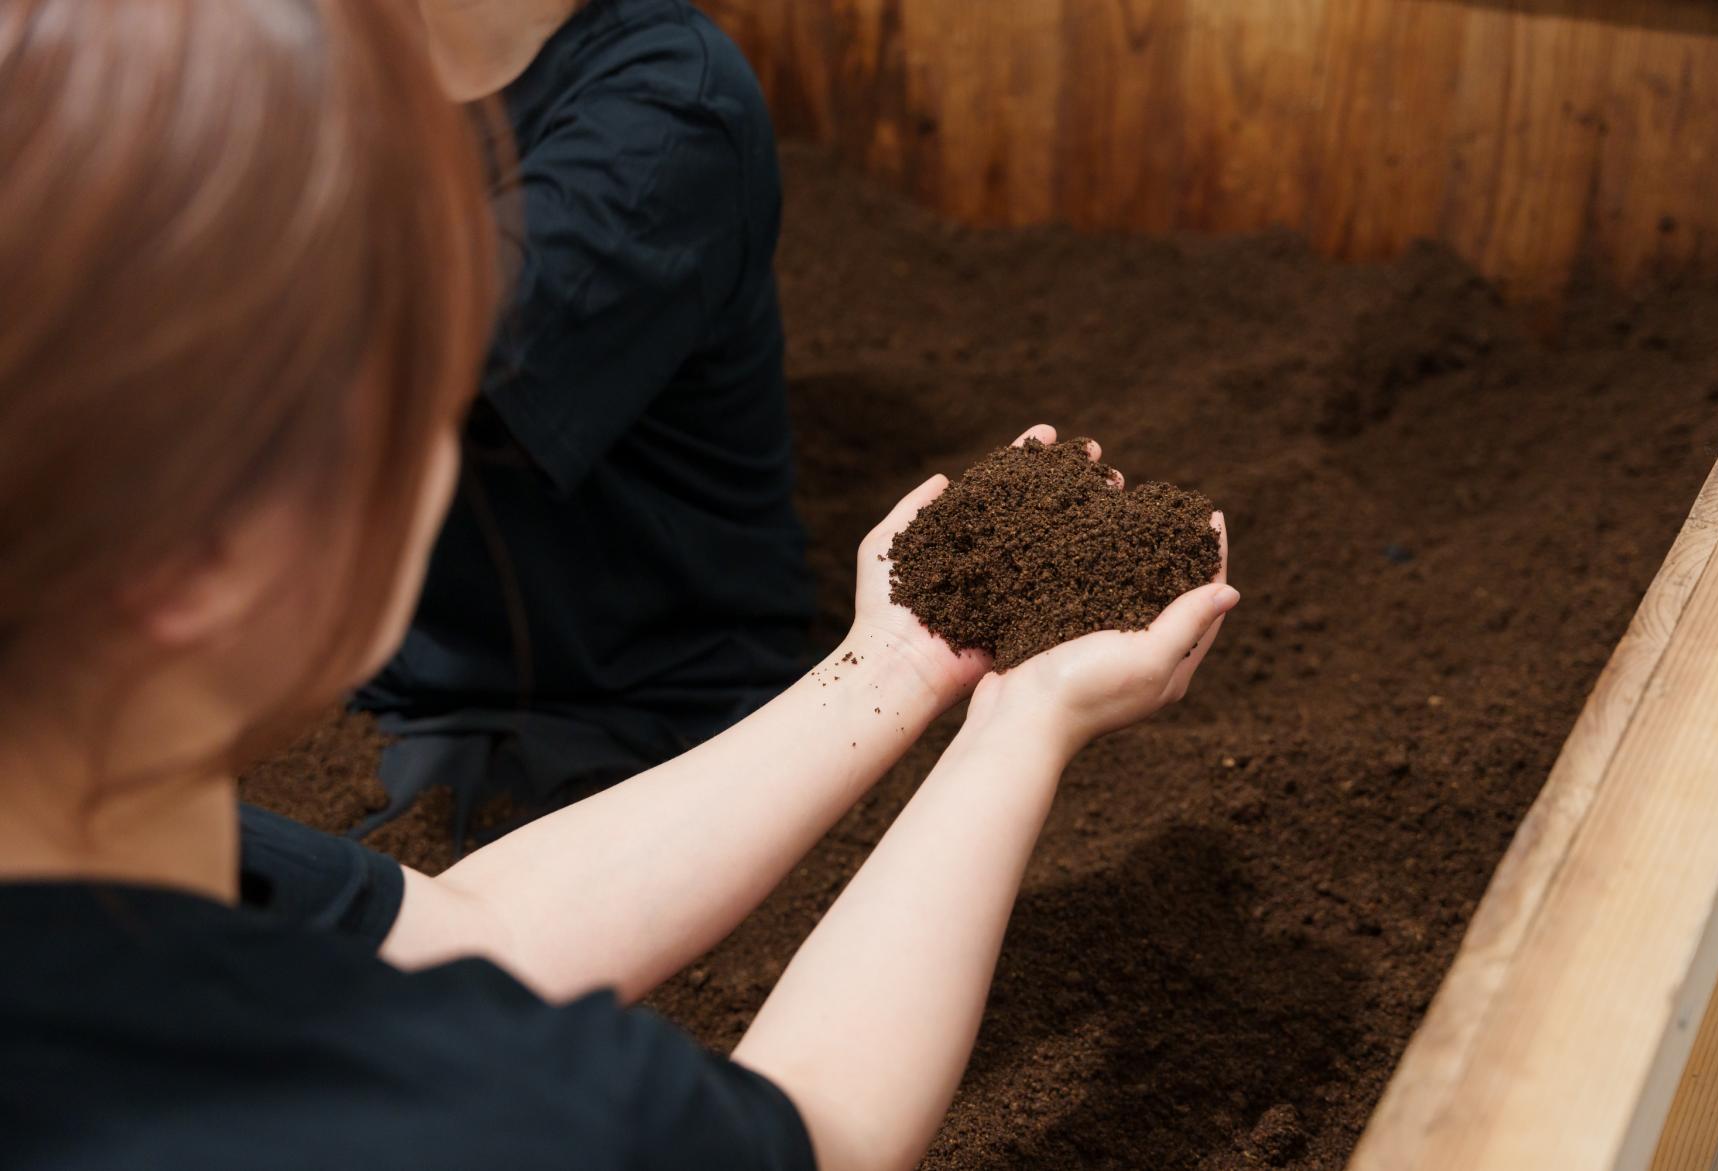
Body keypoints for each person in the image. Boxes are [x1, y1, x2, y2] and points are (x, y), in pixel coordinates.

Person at [0, 1, 1238, 1169]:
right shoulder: (414, 1104)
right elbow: (819, 1135)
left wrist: (894, 664)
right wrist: (1020, 734)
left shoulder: (101, 842)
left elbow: (477, 932)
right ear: (212, 564)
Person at [351, 0, 815, 843]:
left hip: (628, 707)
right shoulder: (328, 63)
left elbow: (428, 354)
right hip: (373, 672)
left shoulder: (674, 98)